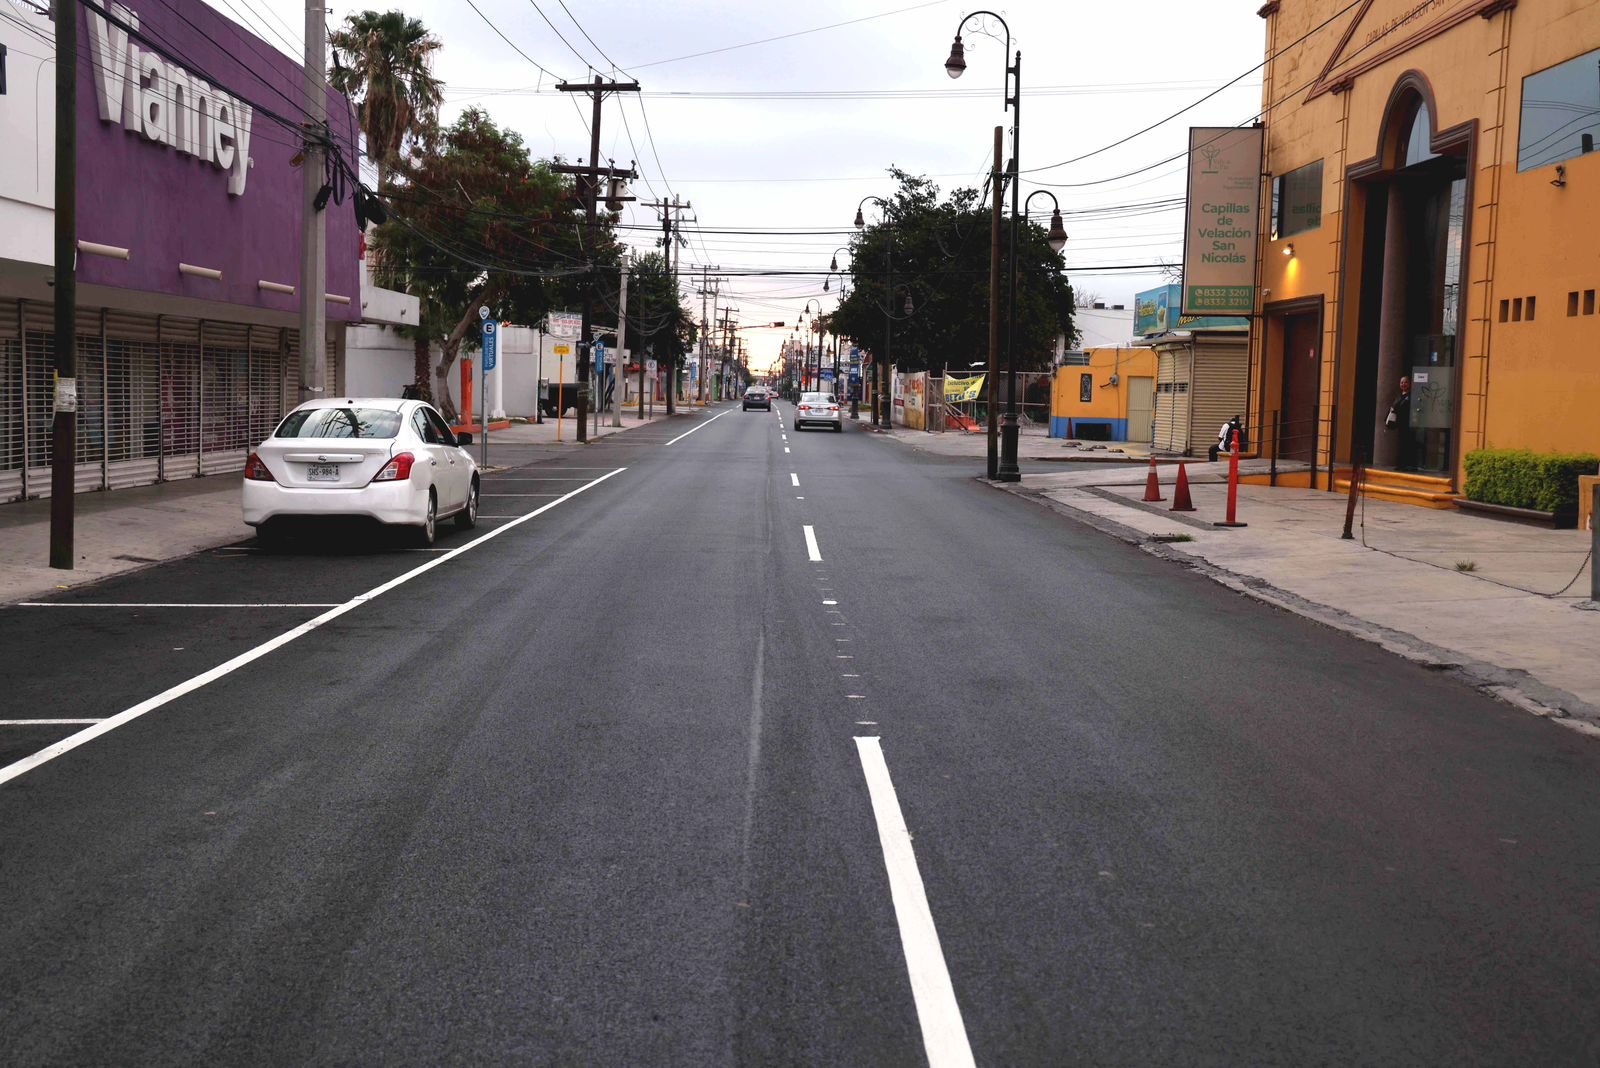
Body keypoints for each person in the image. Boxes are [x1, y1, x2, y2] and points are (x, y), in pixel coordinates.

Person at [1384, 375, 1413, 470]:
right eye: (1401, 382)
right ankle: (1400, 464)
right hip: (1400, 424)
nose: (1403, 384)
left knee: (1406, 444)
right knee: (1400, 444)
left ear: (1410, 383)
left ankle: (1406, 464)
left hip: (1408, 424)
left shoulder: (1411, 396)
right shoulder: (1399, 396)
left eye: (1406, 382)